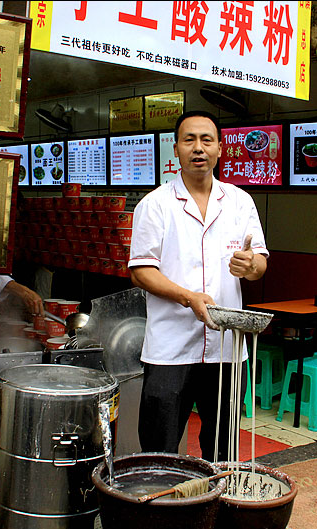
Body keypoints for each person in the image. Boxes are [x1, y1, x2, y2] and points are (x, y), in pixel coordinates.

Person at [128, 110, 268, 461]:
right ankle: (162, 510)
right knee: (160, 445)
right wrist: (188, 298)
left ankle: (215, 510)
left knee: (222, 447)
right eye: (189, 139)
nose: (198, 148)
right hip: (170, 348)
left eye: (207, 140)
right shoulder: (155, 205)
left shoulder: (240, 202)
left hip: (225, 347)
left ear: (220, 148)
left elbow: (260, 264)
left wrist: (250, 266)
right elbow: (141, 271)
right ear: (175, 149)